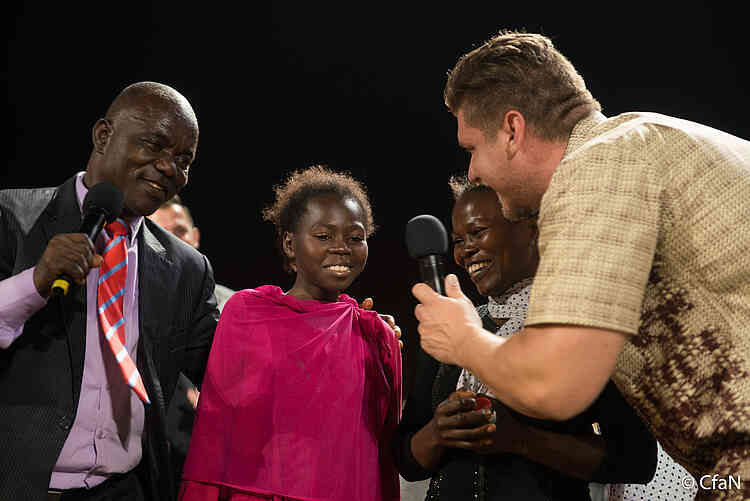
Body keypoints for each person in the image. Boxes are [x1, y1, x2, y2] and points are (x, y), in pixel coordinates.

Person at [411, 31, 750, 500]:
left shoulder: (596, 169)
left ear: (512, 129)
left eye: (471, 148)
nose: (471, 173)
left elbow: (553, 386)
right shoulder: (646, 141)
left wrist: (465, 339)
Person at [0, 82, 219, 501]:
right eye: (155, 145)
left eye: (183, 159)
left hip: (125, 490)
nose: (169, 168)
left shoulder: (188, 269)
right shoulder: (11, 218)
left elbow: (229, 368)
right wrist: (34, 283)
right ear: (103, 136)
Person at [396, 179, 658, 500]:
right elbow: (407, 462)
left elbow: (637, 461)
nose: (466, 251)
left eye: (478, 233)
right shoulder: (451, 325)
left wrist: (520, 438)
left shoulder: (582, 327)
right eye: (458, 240)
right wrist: (437, 433)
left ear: (531, 230)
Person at [179, 165, 402, 501]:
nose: (342, 247)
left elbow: (383, 449)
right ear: (289, 243)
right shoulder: (247, 315)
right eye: (324, 236)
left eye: (355, 238)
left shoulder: (376, 335)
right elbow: (217, 436)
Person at [149, 195, 235, 311]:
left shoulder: (232, 304)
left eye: (180, 231)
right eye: (160, 233)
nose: (172, 241)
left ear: (195, 236)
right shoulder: (127, 304)